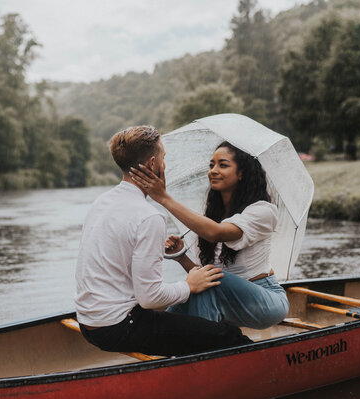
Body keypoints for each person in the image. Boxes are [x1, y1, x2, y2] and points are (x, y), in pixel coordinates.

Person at [74, 127, 252, 357]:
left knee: (186, 327)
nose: (165, 165)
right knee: (228, 335)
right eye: (163, 158)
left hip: (88, 323)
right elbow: (150, 298)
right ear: (151, 164)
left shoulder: (102, 201)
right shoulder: (149, 216)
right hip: (119, 325)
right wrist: (190, 285)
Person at [130, 140, 289, 330]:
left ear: (242, 173)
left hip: (265, 301)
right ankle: (163, 339)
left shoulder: (264, 211)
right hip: (225, 298)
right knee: (199, 286)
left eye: (223, 165)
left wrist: (163, 198)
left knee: (213, 280)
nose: (213, 170)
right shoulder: (212, 217)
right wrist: (182, 258)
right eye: (211, 165)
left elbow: (217, 233)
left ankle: (203, 346)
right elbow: (204, 273)